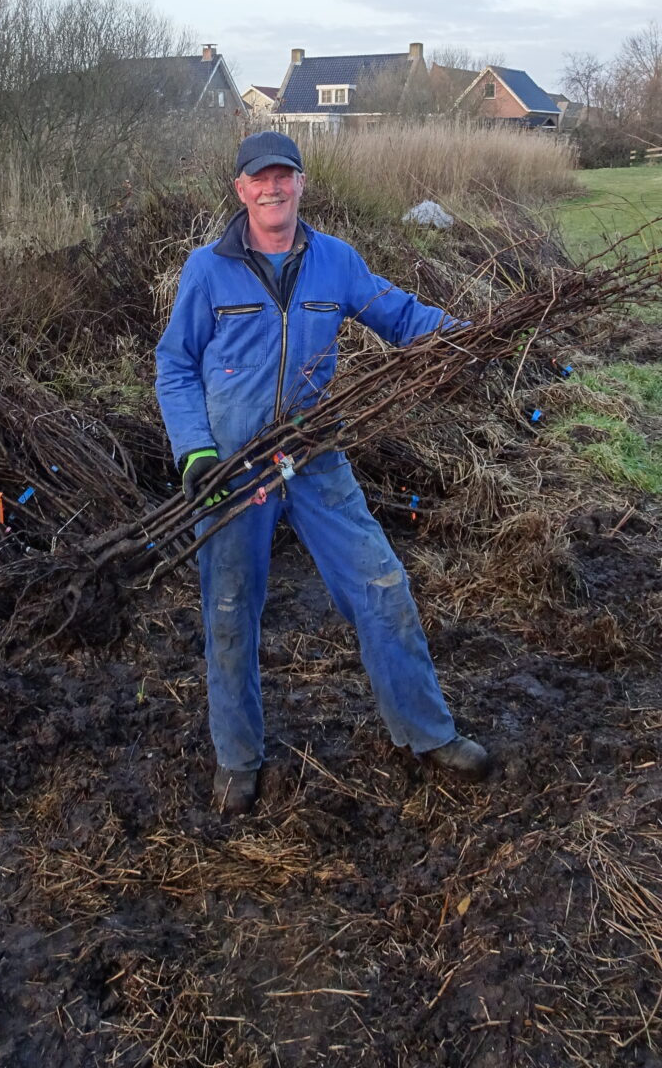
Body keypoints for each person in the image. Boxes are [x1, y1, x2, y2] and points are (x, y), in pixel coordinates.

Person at [155, 129, 490, 815]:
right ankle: (238, 759)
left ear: (302, 184)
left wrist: (468, 335)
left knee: (382, 586)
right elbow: (175, 366)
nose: (273, 188)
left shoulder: (335, 261)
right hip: (232, 468)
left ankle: (427, 735)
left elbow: (399, 316)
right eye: (260, 178)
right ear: (241, 189)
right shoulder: (206, 270)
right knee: (228, 612)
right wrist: (194, 449)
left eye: (286, 176)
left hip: (312, 455)